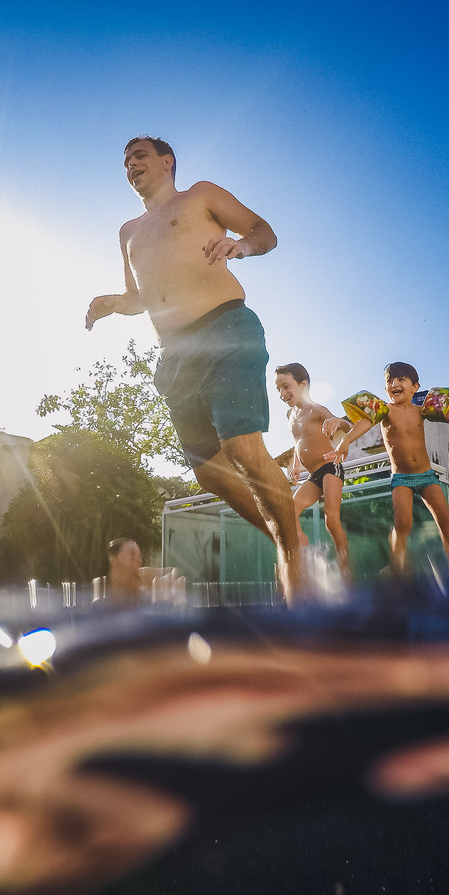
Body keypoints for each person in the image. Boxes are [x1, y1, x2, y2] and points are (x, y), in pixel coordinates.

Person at [85, 137, 304, 602]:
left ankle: (294, 564)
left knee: (243, 449)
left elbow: (265, 232)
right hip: (175, 354)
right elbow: (139, 296)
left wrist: (240, 246)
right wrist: (111, 303)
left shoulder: (200, 195)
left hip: (226, 329)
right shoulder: (128, 232)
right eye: (125, 162)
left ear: (167, 161)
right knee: (207, 472)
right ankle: (286, 533)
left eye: (139, 156)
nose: (131, 165)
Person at [324, 361, 449, 573]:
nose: (394, 384)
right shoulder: (384, 410)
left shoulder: (421, 410)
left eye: (401, 380)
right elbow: (364, 423)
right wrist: (346, 441)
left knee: (445, 521)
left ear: (415, 387)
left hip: (426, 476)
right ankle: (398, 564)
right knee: (403, 523)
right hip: (402, 479)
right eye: (390, 381)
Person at [274, 362, 352, 583]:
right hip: (312, 474)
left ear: (303, 384)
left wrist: (337, 420)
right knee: (289, 511)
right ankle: (304, 549)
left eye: (286, 386)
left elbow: (347, 427)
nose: (282, 393)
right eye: (278, 389)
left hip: (330, 467)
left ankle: (345, 569)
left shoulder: (317, 410)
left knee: (331, 519)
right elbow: (299, 441)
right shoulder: (290, 414)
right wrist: (296, 463)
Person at [101, 537, 143, 607]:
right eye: (132, 554)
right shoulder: (100, 603)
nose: (138, 560)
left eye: (139, 556)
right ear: (113, 559)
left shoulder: (146, 599)